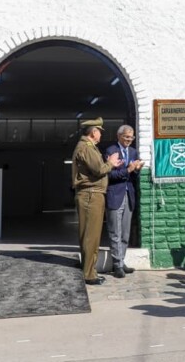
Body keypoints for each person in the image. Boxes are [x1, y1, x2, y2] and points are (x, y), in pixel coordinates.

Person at [71, 117, 122, 285]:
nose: (100, 134)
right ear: (94, 132)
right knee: (90, 236)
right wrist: (111, 163)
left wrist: (110, 164)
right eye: (99, 131)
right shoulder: (86, 148)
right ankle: (89, 274)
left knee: (91, 235)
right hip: (90, 194)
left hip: (94, 194)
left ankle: (89, 269)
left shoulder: (89, 147)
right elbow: (99, 169)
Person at [104, 124, 143, 279]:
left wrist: (137, 169)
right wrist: (128, 169)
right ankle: (117, 265)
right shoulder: (111, 151)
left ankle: (122, 260)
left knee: (125, 232)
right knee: (115, 231)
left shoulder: (133, 152)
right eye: (126, 137)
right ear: (119, 136)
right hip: (115, 194)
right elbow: (109, 175)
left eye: (131, 137)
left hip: (129, 195)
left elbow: (134, 176)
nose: (129, 140)